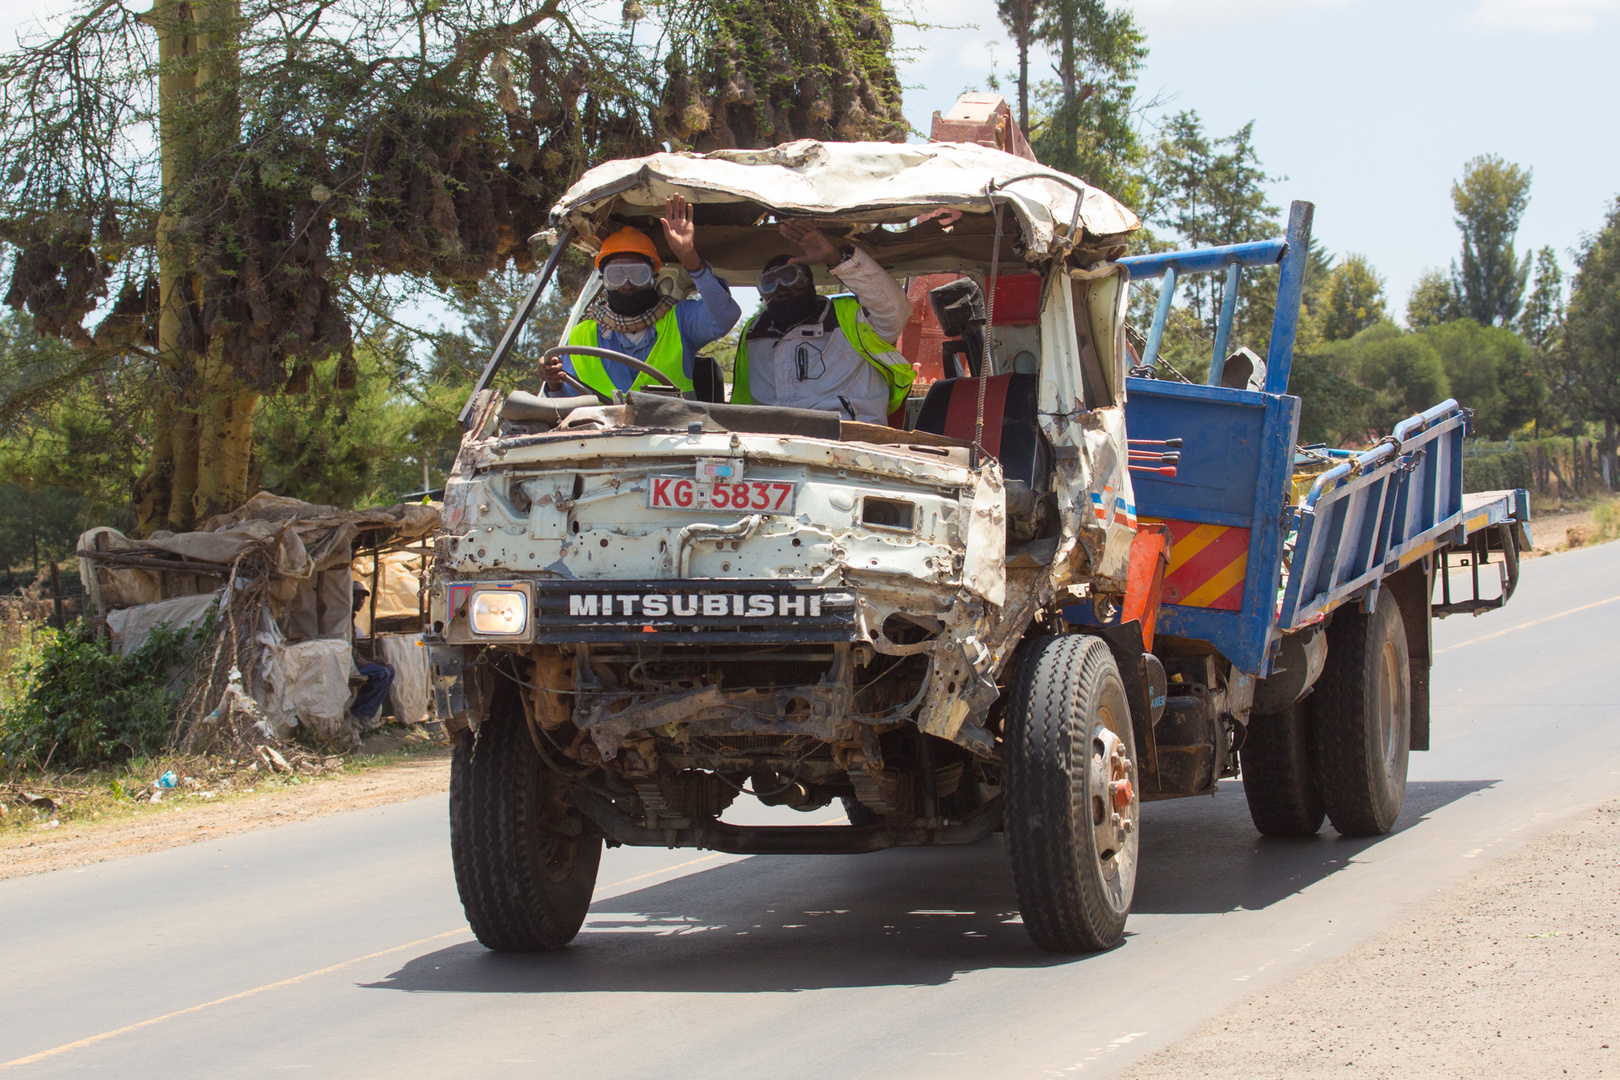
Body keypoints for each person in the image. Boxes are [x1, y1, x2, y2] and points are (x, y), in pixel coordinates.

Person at [542, 194, 741, 397]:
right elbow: (564, 408)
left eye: (638, 273)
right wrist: (554, 384)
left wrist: (688, 256)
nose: (627, 284)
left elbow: (724, 317)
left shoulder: (680, 319)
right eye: (616, 275)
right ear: (604, 280)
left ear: (652, 278)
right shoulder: (580, 337)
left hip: (673, 428)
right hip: (599, 429)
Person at [730, 221, 915, 424]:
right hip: (775, 443)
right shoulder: (755, 332)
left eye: (789, 277)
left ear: (810, 283)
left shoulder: (849, 318)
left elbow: (894, 310)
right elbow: (745, 399)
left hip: (848, 442)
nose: (780, 288)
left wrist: (836, 259)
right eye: (769, 283)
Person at [349, 583, 394, 726]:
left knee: (389, 669)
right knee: (382, 673)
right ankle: (357, 713)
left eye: (362, 597)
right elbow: (351, 656)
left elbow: (355, 653)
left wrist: (374, 662)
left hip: (354, 661)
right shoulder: (344, 618)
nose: (360, 601)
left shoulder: (351, 618)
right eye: (357, 596)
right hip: (348, 664)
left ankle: (366, 713)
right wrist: (373, 664)